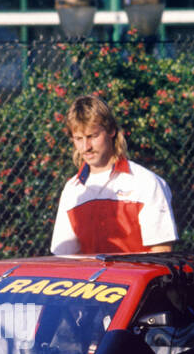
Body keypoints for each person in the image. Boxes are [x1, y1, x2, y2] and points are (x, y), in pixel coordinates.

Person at [50, 95, 177, 256]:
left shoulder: (146, 182)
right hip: (90, 281)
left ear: (111, 130)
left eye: (92, 136)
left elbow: (162, 253)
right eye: (78, 139)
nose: (85, 147)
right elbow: (64, 258)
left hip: (136, 280)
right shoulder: (72, 190)